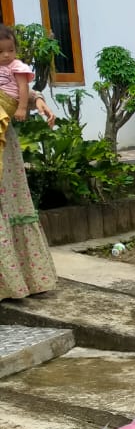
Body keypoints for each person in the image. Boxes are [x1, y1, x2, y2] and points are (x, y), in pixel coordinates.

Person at [0, 24, 57, 300]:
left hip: (3, 146)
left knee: (9, 202)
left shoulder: (11, 67)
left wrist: (39, 102)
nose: (6, 55)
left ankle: (22, 280)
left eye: (9, 50)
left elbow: (21, 90)